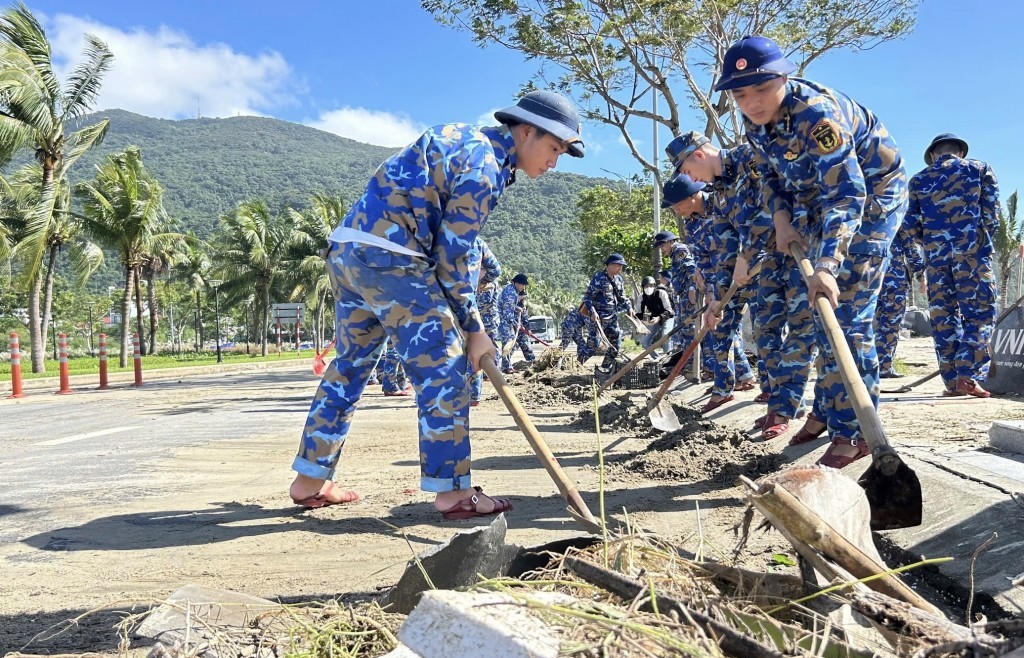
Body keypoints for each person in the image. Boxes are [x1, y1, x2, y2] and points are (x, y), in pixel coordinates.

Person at [288, 89, 584, 516]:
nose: (554, 161)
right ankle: (454, 492)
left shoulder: (460, 136)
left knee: (349, 367)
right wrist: (475, 330)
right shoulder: (485, 166)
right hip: (395, 257)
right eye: (553, 147)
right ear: (525, 132)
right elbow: (454, 256)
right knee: (445, 365)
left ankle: (309, 481)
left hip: (349, 252)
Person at [716, 35, 907, 468]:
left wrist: (826, 263)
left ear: (784, 77)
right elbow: (768, 176)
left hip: (871, 202)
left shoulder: (817, 116)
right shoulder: (754, 123)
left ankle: (856, 431)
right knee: (820, 313)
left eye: (762, 89)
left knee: (849, 315)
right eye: (741, 94)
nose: (752, 102)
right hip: (816, 204)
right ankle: (826, 411)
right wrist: (781, 219)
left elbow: (848, 193)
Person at [666, 135, 765, 415]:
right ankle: (724, 389)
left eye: (677, 205)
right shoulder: (694, 223)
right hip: (725, 280)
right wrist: (712, 292)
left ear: (692, 195)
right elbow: (711, 258)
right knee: (719, 329)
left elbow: (753, 227)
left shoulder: (724, 195)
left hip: (756, 273)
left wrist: (743, 262)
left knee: (765, 330)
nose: (676, 212)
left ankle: (769, 389)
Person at [904, 133, 1000, 397]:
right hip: (972, 256)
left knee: (942, 319)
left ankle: (951, 381)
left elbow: (909, 227)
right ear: (960, 152)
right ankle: (967, 375)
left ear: (934, 154)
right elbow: (992, 215)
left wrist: (934, 243)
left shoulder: (919, 180)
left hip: (936, 260)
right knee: (980, 314)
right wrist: (974, 241)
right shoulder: (979, 169)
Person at [875, 225, 925, 379]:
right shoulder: (894, 205)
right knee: (890, 324)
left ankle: (865, 366)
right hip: (892, 278)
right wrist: (921, 274)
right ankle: (883, 367)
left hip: (865, 277)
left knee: (866, 324)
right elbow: (909, 245)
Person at [582, 253, 633, 372]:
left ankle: (605, 367)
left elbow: (622, 296)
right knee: (593, 345)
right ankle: (578, 363)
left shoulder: (619, 279)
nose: (620, 268)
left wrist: (629, 307)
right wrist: (593, 312)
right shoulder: (599, 278)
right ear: (610, 265)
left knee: (616, 344)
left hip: (612, 317)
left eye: (621, 266)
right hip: (599, 318)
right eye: (618, 265)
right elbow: (588, 297)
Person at [469, 237, 502, 406]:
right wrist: (480, 283)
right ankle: (473, 395)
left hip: (442, 308)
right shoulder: (477, 242)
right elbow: (496, 269)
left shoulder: (435, 232)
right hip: (470, 310)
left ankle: (472, 394)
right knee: (476, 352)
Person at [497, 273, 531, 373]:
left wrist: (517, 308)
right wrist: (515, 324)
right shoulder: (511, 292)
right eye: (522, 284)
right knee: (509, 341)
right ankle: (505, 367)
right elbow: (507, 312)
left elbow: (509, 306)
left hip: (506, 320)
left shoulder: (514, 291)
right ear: (516, 283)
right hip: (503, 320)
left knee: (513, 343)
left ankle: (506, 364)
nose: (523, 287)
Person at [637, 275, 674, 358]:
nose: (648, 288)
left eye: (651, 286)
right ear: (643, 287)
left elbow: (669, 310)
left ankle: (668, 358)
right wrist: (640, 324)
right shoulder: (641, 297)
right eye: (646, 286)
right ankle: (658, 359)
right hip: (654, 319)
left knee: (665, 335)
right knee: (644, 341)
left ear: (654, 286)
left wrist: (659, 318)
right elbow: (639, 313)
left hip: (667, 317)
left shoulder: (661, 293)